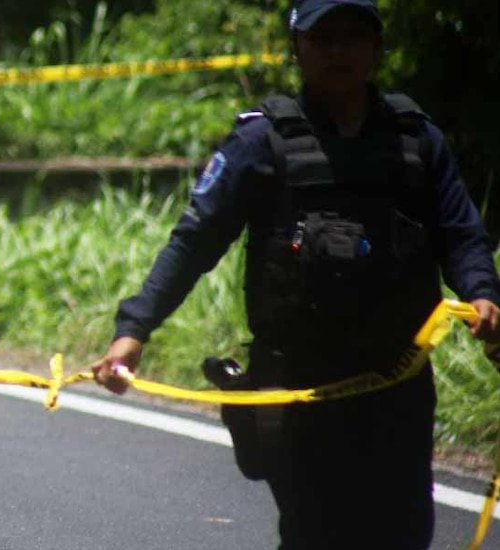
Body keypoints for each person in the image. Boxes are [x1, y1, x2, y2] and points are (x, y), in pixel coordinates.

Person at [91, 1, 500, 548]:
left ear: (377, 49)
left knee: (403, 531)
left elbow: (461, 233)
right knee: (316, 530)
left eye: (353, 38)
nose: (338, 51)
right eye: (323, 38)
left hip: (396, 378)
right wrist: (133, 331)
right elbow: (195, 242)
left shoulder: (416, 139)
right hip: (294, 379)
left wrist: (482, 294)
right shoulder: (261, 141)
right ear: (297, 49)